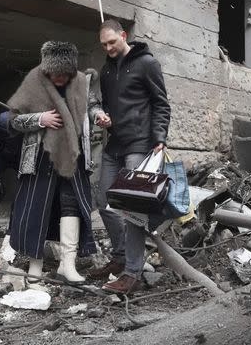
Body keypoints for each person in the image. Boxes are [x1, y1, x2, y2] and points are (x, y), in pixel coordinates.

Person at [6, 41, 103, 285]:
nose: (59, 78)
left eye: (64, 74)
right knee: (37, 207)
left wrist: (98, 115)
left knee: (72, 205)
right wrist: (41, 118)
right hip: (40, 156)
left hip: (74, 155)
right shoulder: (33, 80)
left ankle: (67, 265)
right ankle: (35, 266)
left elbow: (92, 106)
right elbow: (14, 119)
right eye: (55, 74)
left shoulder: (81, 81)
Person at [90, 19, 171, 295]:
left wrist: (159, 137)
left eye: (112, 42)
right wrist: (104, 117)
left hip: (140, 145)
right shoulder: (106, 70)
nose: (109, 48)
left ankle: (132, 272)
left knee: (133, 209)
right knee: (103, 200)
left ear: (124, 36)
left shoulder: (147, 63)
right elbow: (110, 106)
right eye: (104, 45)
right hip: (115, 145)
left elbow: (161, 103)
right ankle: (121, 254)